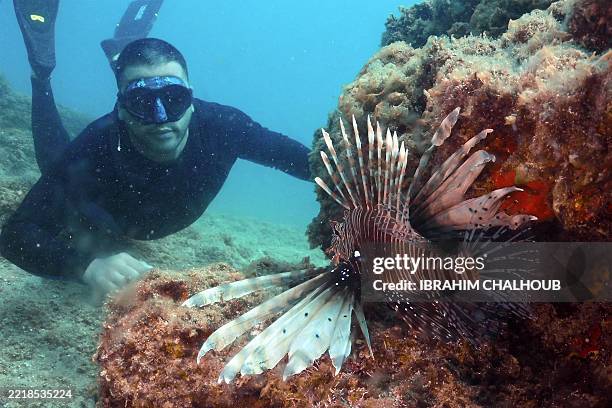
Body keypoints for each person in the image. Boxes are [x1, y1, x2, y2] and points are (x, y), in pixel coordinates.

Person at [0, 0, 312, 295]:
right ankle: (41, 76)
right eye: (141, 102)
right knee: (52, 158)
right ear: (121, 108)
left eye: (174, 98)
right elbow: (15, 235)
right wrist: (87, 266)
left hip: (137, 218)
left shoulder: (225, 126)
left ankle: (127, 60)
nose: (161, 118)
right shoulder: (95, 145)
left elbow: (310, 162)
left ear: (191, 97)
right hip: (96, 212)